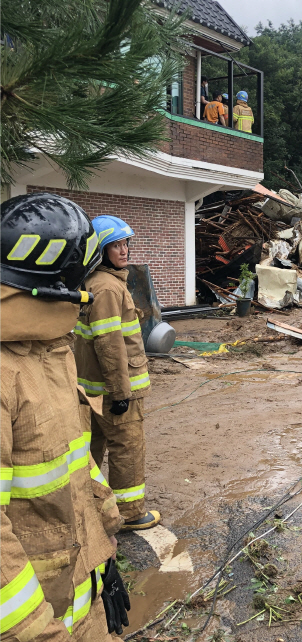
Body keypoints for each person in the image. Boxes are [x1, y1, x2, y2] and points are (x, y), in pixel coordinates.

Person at [1, 193, 131, 640]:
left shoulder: (49, 349)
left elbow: (74, 457)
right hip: (38, 617)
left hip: (78, 582)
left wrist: (105, 537)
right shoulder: (5, 371)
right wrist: (41, 632)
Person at [74, 215, 160, 532]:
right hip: (115, 391)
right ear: (99, 251)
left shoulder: (94, 283)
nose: (123, 250)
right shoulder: (109, 288)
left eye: (125, 243)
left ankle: (94, 508)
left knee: (92, 448)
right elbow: (110, 345)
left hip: (91, 389)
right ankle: (129, 513)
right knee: (127, 448)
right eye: (115, 245)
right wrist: (121, 393)